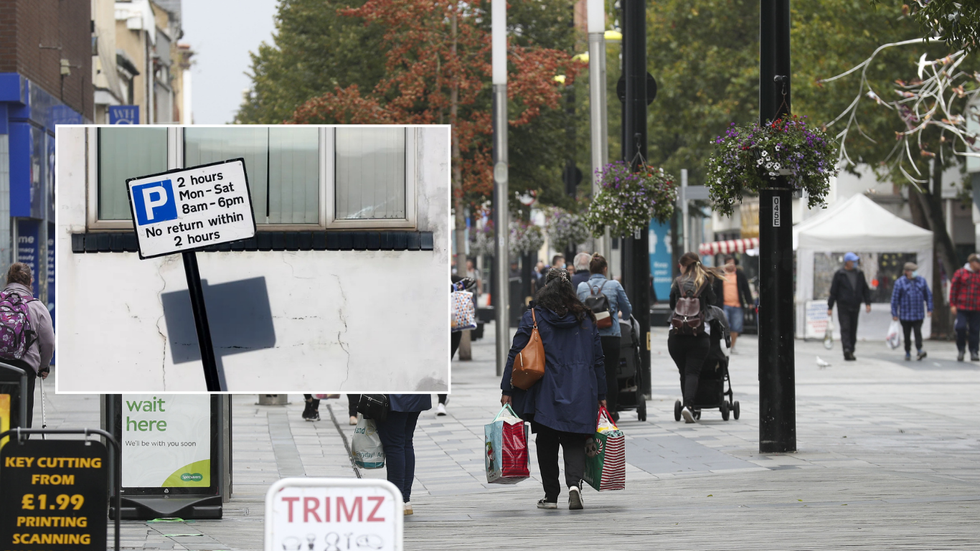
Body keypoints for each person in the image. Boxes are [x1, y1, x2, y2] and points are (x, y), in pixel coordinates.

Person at [501, 268, 605, 511]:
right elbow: (598, 359)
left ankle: (550, 495)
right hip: (581, 386)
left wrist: (507, 388)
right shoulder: (587, 318)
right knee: (574, 438)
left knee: (546, 439)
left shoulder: (534, 317)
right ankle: (574, 485)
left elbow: (515, 353)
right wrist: (602, 395)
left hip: (545, 389)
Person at [668, 252, 725, 423]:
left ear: (684, 265)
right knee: (692, 371)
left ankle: (688, 404)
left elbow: (672, 305)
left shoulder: (677, 282)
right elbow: (712, 301)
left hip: (676, 334)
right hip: (698, 334)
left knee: (683, 371)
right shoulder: (704, 281)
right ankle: (689, 406)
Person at [0, 263, 54, 437]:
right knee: (20, 411)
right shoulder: (36, 306)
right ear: (30, 281)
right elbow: (48, 342)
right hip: (24, 367)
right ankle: (17, 449)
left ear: (7, 279)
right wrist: (43, 366)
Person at [576, 254, 632, 422]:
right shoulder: (614, 285)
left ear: (590, 269)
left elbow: (578, 311)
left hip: (590, 337)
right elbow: (627, 309)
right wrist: (619, 314)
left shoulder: (581, 287)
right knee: (610, 373)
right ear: (605, 269)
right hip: (611, 336)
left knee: (591, 372)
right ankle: (612, 411)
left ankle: (593, 410)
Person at [375, 394, 431, 516]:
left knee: (394, 444)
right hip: (416, 393)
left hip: (393, 396)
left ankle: (397, 498)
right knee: (406, 442)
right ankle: (405, 499)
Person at [827, 252, 872, 361]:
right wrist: (830, 306)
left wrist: (868, 303)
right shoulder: (840, 274)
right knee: (845, 327)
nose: (855, 263)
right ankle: (846, 349)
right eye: (853, 261)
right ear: (847, 262)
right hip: (843, 306)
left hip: (855, 305)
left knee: (853, 328)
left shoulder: (859, 274)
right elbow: (834, 291)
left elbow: (865, 289)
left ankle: (851, 349)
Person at [890, 262, 933, 361]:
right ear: (906, 272)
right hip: (905, 314)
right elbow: (895, 299)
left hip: (918, 313)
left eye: (915, 271)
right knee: (907, 333)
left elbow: (928, 296)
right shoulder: (900, 282)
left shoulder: (921, 281)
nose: (914, 273)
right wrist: (894, 313)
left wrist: (930, 308)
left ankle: (919, 349)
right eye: (912, 271)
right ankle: (907, 351)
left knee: (918, 332)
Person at [712, 256, 753, 354]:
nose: (731, 265)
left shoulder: (740, 275)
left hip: (737, 305)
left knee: (736, 327)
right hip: (724, 305)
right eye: (729, 263)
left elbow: (746, 289)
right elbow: (715, 290)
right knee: (725, 325)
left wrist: (749, 302)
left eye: (733, 263)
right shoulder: (720, 275)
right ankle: (726, 343)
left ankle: (732, 346)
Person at [949, 253, 980, 361]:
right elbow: (953, 289)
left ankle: (974, 351)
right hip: (962, 306)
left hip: (977, 307)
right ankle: (961, 349)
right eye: (978, 262)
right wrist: (952, 304)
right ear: (972, 263)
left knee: (975, 330)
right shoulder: (960, 273)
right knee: (960, 327)